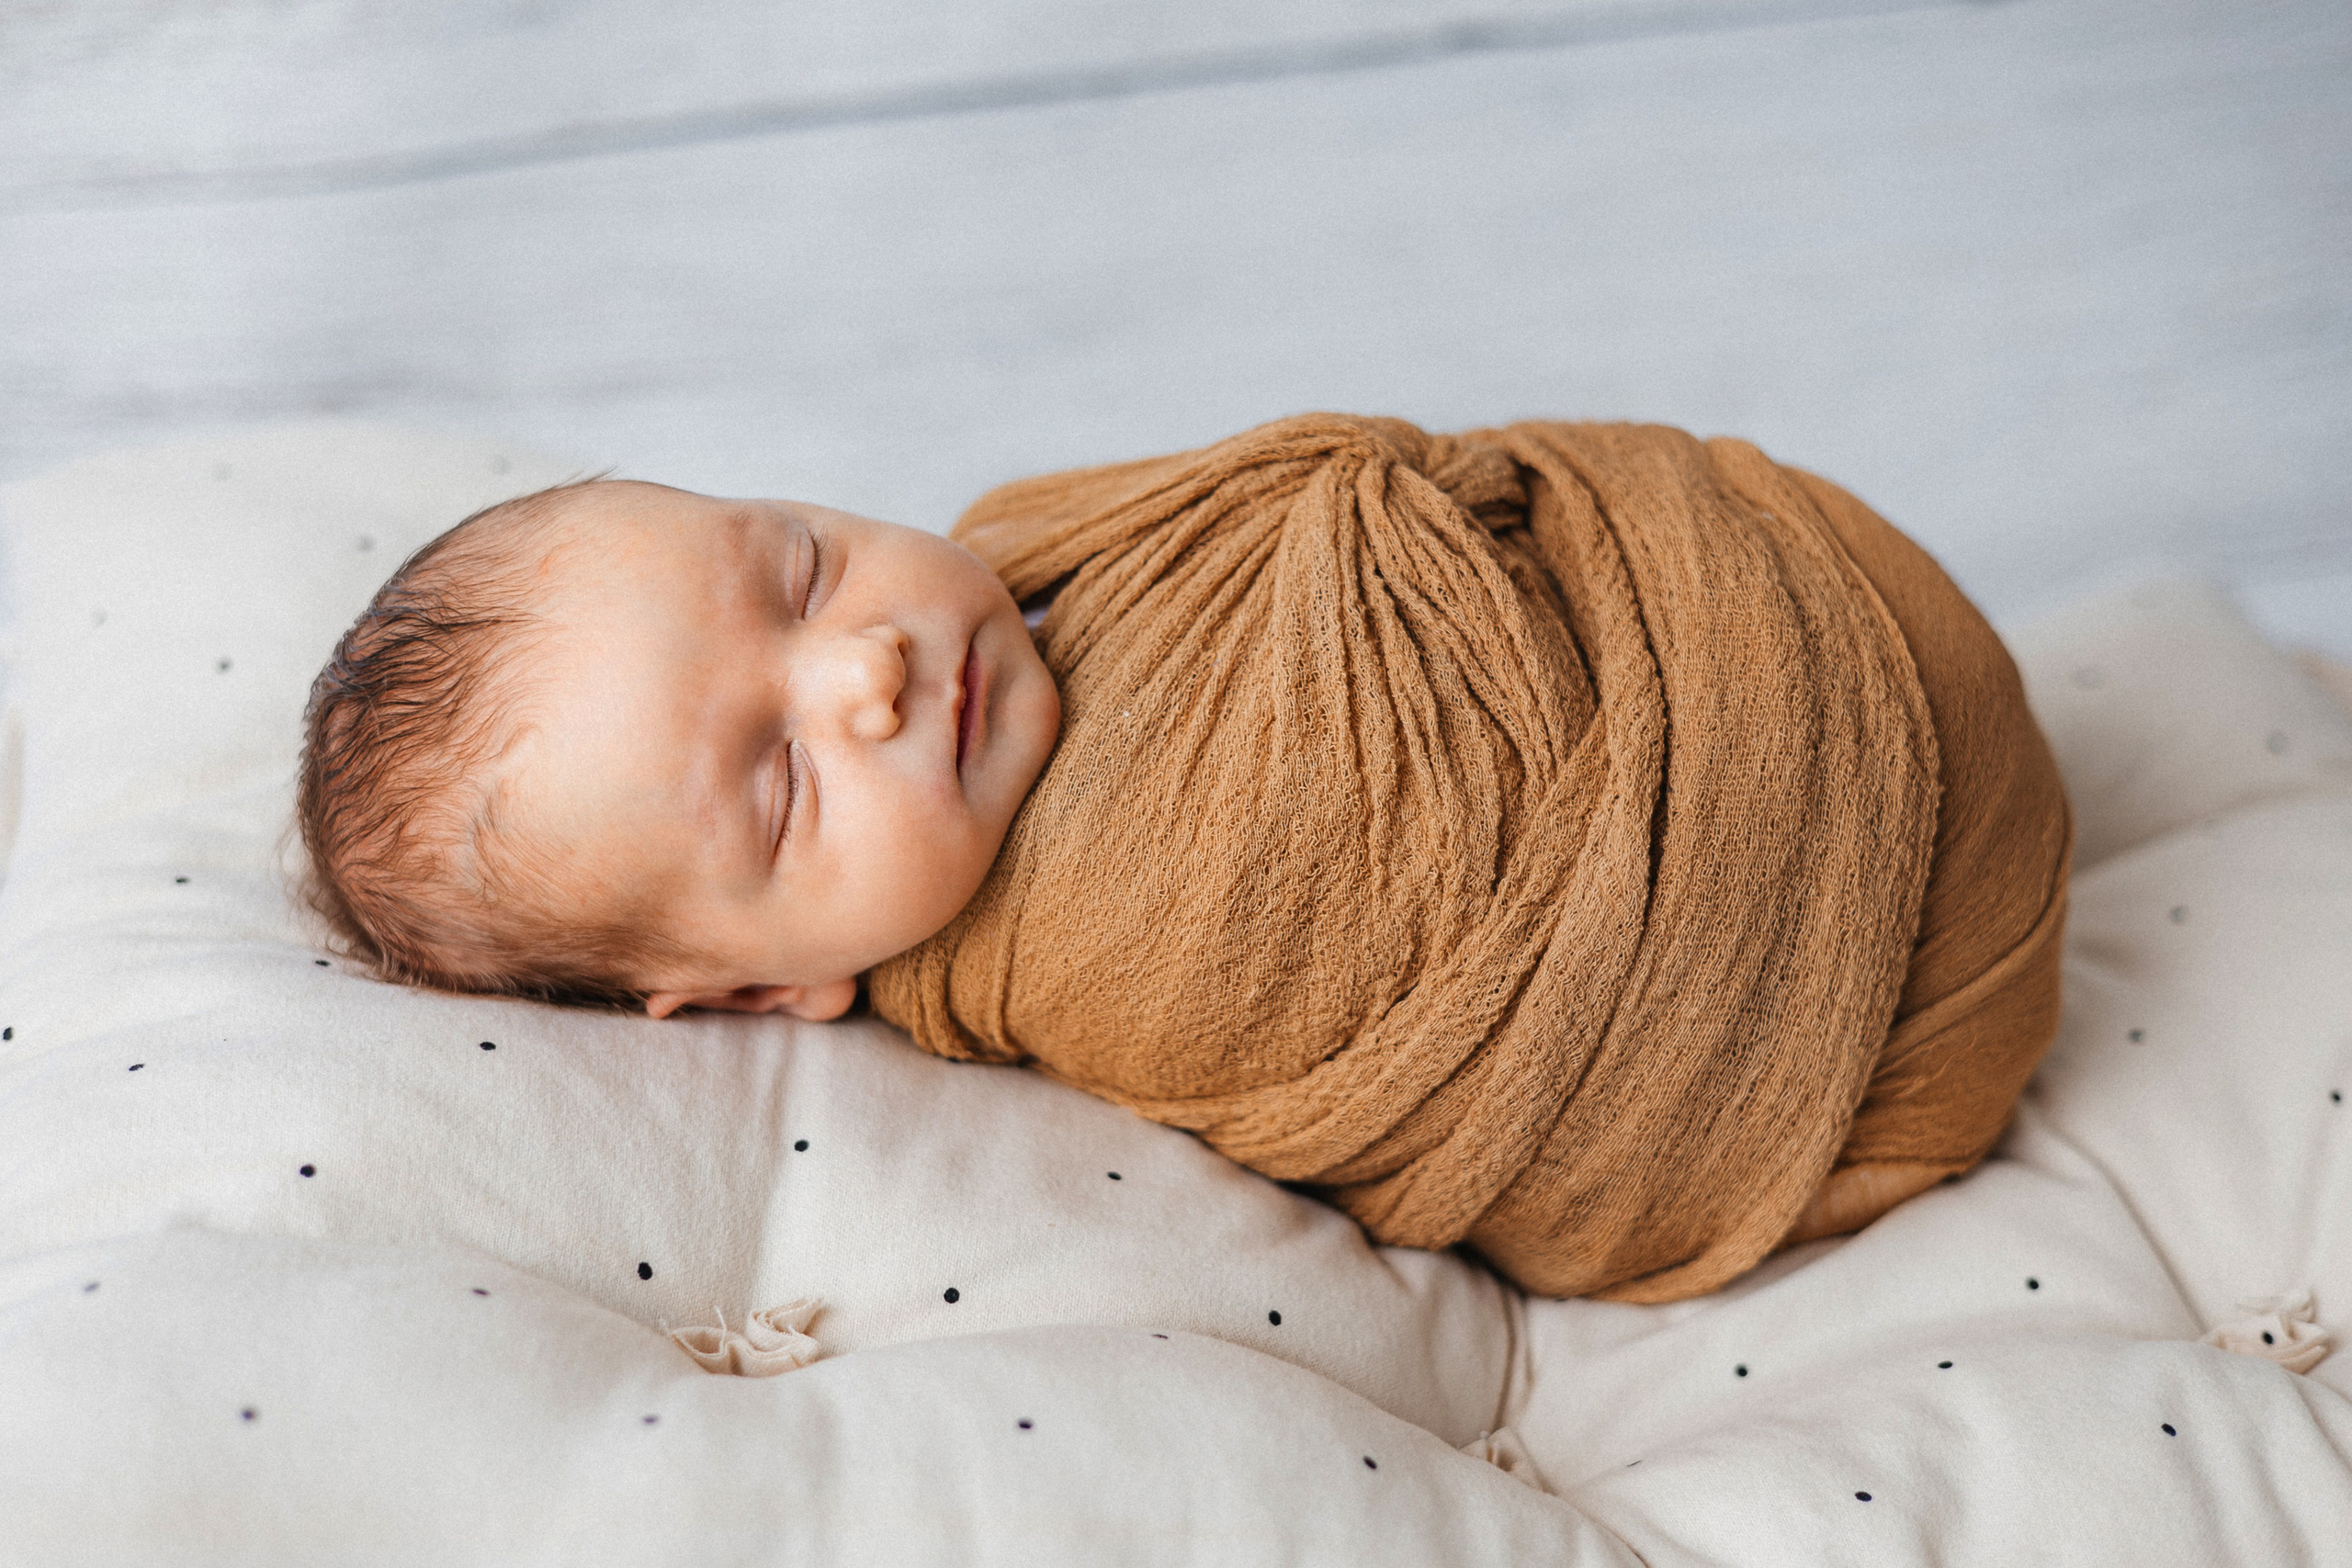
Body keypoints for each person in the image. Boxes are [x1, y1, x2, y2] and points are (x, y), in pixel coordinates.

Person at [301, 414, 2071, 1300]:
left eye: (803, 568)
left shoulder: (1053, 548)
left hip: (1811, 621)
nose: (867, 670)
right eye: (777, 790)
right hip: (1875, 977)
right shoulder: (1112, 928)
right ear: (778, 986)